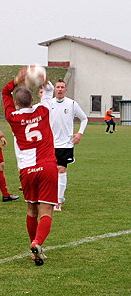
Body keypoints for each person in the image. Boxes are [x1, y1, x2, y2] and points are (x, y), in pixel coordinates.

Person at [2, 68, 58, 266]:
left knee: (31, 211)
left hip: (27, 170)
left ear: (17, 103)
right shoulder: (44, 110)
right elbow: (49, 89)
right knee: (46, 212)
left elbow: (5, 93)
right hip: (48, 166)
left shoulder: (13, 117)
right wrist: (43, 78)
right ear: (32, 100)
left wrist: (16, 80)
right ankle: (37, 242)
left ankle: (34, 251)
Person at [49, 79, 88, 211]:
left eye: (62, 87)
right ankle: (58, 195)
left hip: (65, 144)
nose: (60, 89)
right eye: (58, 87)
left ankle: (58, 201)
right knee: (51, 172)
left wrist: (79, 133)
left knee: (61, 169)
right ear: (55, 89)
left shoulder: (71, 104)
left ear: (66, 90)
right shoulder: (49, 104)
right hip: (49, 144)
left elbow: (84, 118)